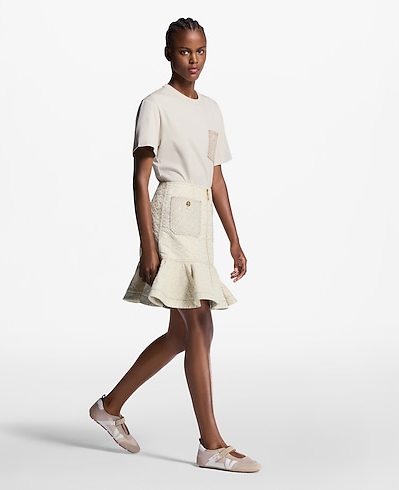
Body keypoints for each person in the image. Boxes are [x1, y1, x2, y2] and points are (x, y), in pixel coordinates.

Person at [89, 17, 261, 473]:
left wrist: (235, 240)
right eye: (185, 51)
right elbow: (140, 179)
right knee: (201, 325)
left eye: (201, 51)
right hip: (170, 217)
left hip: (200, 222)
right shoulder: (154, 105)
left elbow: (216, 179)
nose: (194, 60)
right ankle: (211, 444)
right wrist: (147, 245)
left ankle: (109, 407)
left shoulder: (212, 109)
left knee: (182, 334)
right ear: (169, 53)